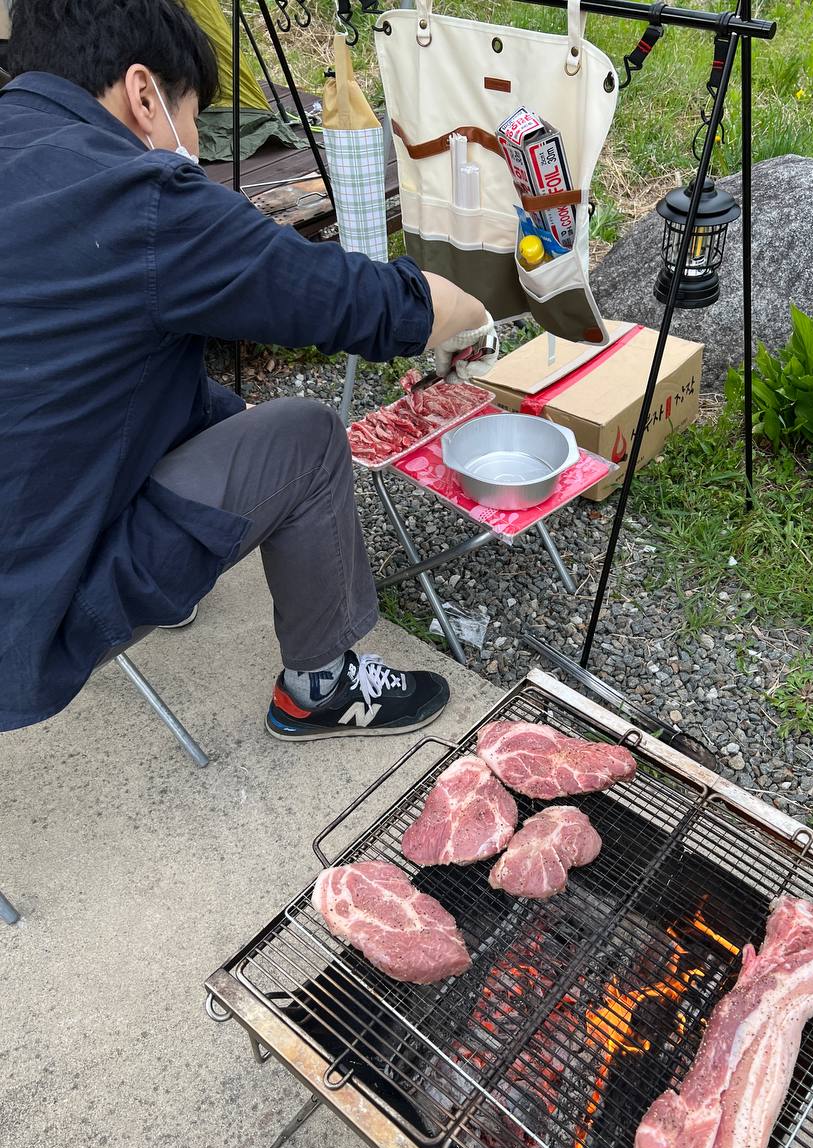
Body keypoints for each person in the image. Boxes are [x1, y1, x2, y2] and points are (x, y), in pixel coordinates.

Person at [0, 0, 498, 741]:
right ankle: (320, 689)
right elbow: (363, 303)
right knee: (306, 438)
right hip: (25, 616)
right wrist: (478, 318)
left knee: (211, 407)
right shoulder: (143, 202)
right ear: (144, 96)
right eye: (194, 117)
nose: (194, 146)